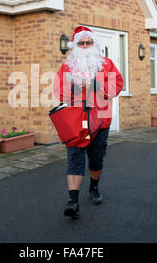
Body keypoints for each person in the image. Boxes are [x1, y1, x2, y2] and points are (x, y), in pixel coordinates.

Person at [53, 26, 123, 217]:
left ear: (94, 44)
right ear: (75, 46)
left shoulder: (106, 64)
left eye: (88, 42)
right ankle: (73, 201)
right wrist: (76, 87)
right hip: (75, 120)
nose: (85, 46)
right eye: (81, 43)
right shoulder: (67, 67)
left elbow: (117, 85)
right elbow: (59, 91)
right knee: (75, 159)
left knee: (96, 159)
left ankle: (94, 187)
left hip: (100, 120)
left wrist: (95, 84)